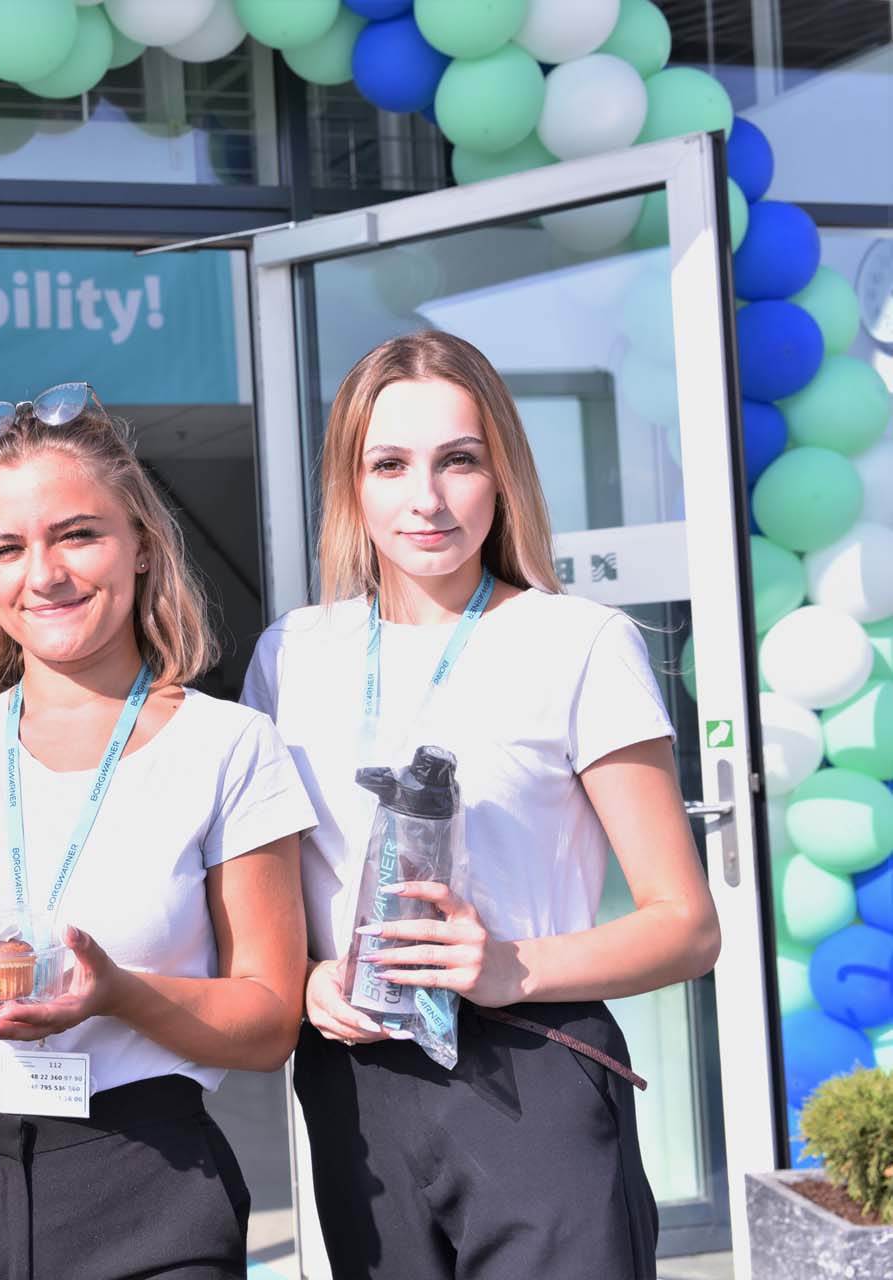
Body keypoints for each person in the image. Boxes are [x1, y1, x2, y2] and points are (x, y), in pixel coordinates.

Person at [243, 331, 721, 1279]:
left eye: (458, 460)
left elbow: (686, 927)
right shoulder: (291, 655)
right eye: (389, 464)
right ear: (351, 484)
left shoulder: (576, 643)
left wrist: (509, 964)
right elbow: (269, 907)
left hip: (529, 1068)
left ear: (500, 475)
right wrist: (302, 983)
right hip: (356, 1078)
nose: (424, 498)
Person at [0, 382, 316, 1279]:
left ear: (140, 544)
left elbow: (268, 1020)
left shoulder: (228, 746)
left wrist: (118, 994)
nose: (46, 573)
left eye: (77, 534)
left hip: (149, 1183)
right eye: (7, 547)